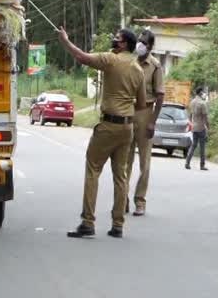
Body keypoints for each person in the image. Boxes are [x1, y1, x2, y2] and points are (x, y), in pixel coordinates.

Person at [57, 27, 145, 239]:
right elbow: (141, 104)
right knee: (120, 176)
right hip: (127, 128)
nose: (113, 40)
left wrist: (65, 41)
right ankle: (118, 225)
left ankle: (88, 222)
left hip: (108, 126)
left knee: (93, 170)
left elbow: (81, 57)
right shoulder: (139, 70)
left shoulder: (110, 59)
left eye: (117, 38)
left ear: (124, 44)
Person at [125, 29, 164, 217]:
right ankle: (122, 198)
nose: (140, 44)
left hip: (146, 112)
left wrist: (152, 122)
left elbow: (160, 96)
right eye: (139, 40)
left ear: (150, 46)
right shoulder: (130, 62)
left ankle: (140, 201)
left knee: (144, 163)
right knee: (125, 160)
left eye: (144, 42)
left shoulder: (155, 66)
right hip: (127, 112)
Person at [186, 87, 209, 171]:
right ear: (200, 93)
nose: (204, 93)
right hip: (201, 127)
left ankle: (187, 162)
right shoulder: (202, 103)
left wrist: (191, 124)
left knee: (193, 145)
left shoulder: (192, 102)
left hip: (194, 127)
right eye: (203, 92)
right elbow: (205, 117)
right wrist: (208, 126)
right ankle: (202, 165)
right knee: (202, 147)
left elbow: (189, 115)